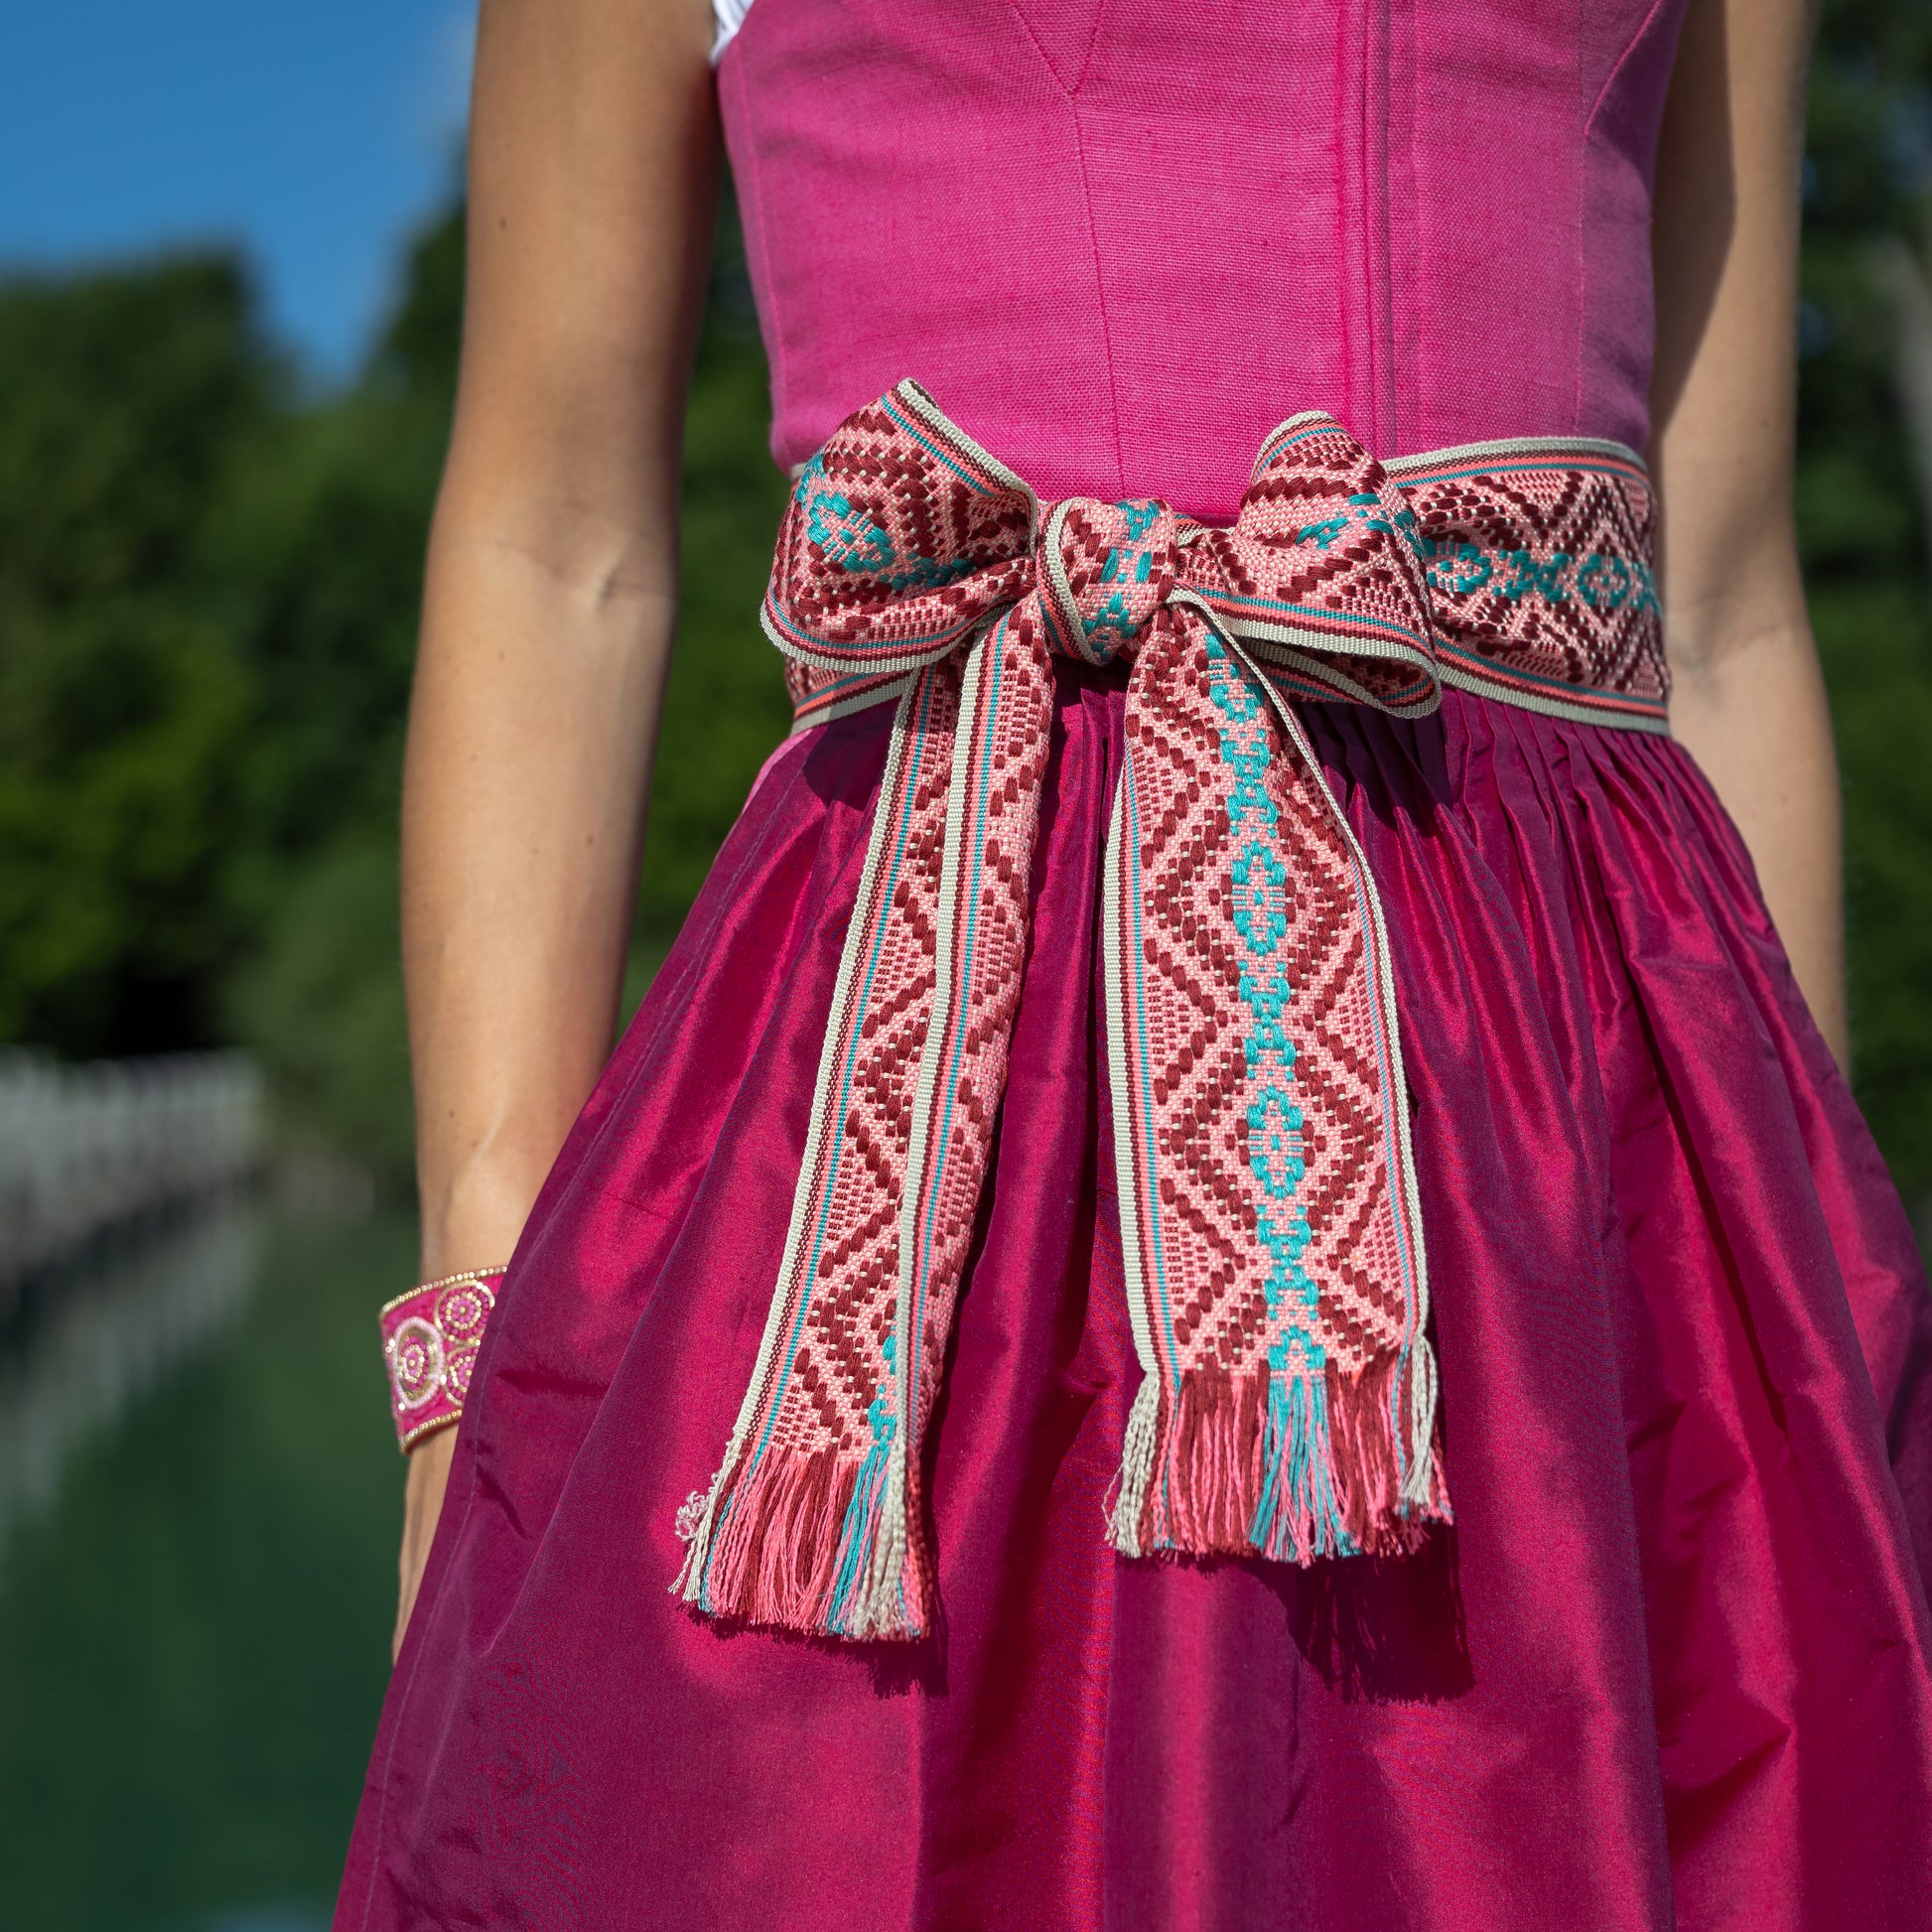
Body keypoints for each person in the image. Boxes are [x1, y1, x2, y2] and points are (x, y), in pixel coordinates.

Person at [339, 0, 1932, 1923]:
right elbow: (555, 539)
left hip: (1580, 1142)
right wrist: (466, 1361)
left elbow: (1726, 598)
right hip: (924, 1102)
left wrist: (1811, 1314)